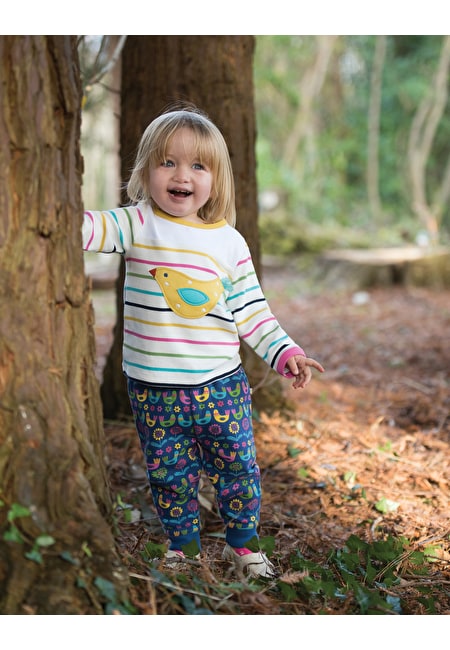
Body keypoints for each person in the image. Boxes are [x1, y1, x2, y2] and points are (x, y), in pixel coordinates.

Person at [82, 105, 324, 579]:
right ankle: (183, 548)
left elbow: (253, 312)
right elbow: (81, 228)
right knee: (170, 476)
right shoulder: (136, 223)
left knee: (237, 469)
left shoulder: (228, 243)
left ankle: (244, 545)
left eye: (198, 165)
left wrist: (286, 353)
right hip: (153, 389)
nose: (182, 176)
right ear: (146, 170)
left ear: (216, 179)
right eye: (167, 162)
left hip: (219, 386)